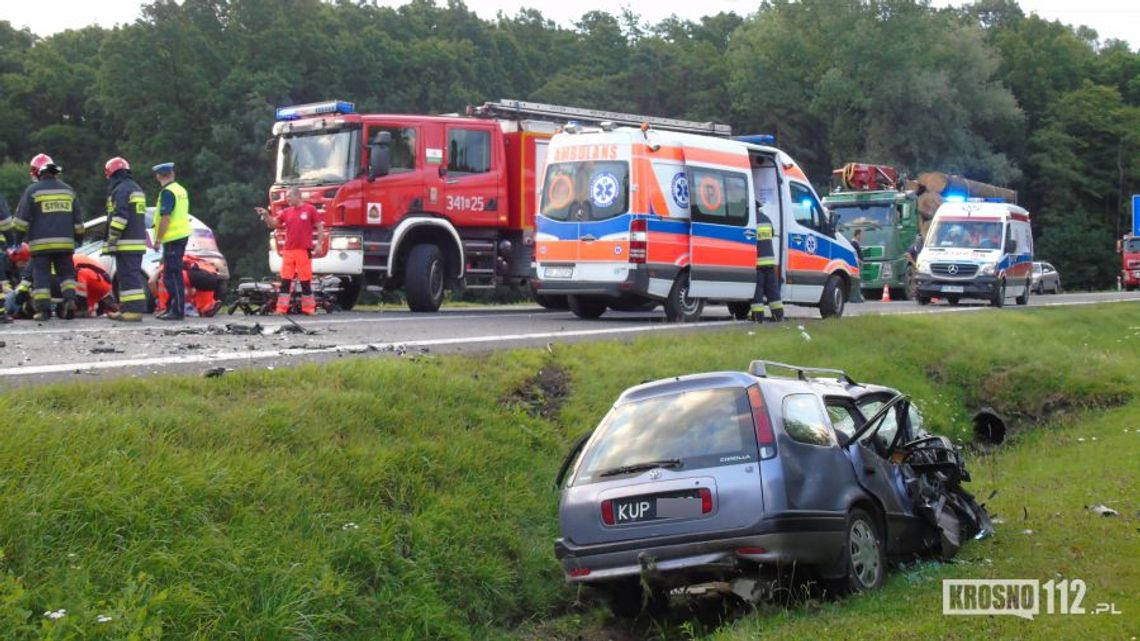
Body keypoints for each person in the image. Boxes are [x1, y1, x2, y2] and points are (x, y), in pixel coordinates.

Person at [10, 154, 83, 321]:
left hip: (41, 245)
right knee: (66, 275)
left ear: (36, 172)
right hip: (65, 244)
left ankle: (43, 312)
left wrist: (17, 240)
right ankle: (70, 301)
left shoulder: (32, 191)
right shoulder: (68, 190)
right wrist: (78, 238)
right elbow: (78, 221)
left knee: (41, 277)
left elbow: (20, 221)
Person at [255, 187, 324, 315]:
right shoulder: (286, 211)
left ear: (298, 196)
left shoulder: (310, 209)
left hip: (303, 250)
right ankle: (281, 309)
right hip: (288, 250)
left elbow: (320, 227)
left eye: (290, 196)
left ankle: (308, 309)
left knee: (305, 280)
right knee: (286, 280)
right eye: (287, 197)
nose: (288, 199)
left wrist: (319, 244)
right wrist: (265, 215)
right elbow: (273, 224)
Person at [103, 157, 149, 322]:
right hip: (136, 241)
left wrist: (112, 239)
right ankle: (127, 309)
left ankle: (134, 311)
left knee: (128, 277)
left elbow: (120, 217)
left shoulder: (121, 190)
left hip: (125, 242)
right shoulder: (136, 188)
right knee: (128, 276)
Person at [152, 162, 192, 321]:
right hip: (181, 235)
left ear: (158, 176)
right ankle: (172, 308)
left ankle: (177, 310)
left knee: (172, 275)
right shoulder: (180, 189)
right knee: (172, 274)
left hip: (173, 237)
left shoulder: (167, 192)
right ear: (172, 174)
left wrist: (158, 239)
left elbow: (166, 217)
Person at [749, 207, 784, 322]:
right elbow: (772, 234)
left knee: (758, 289)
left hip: (758, 261)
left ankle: (758, 316)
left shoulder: (752, 220)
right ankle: (778, 315)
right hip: (769, 261)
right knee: (772, 289)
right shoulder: (767, 219)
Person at [850, 228, 865, 303]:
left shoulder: (856, 243)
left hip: (858, 264)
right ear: (857, 235)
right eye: (861, 235)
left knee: (858, 281)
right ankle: (856, 298)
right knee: (856, 282)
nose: (862, 237)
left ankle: (858, 297)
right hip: (856, 265)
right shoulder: (853, 243)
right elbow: (854, 255)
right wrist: (859, 261)